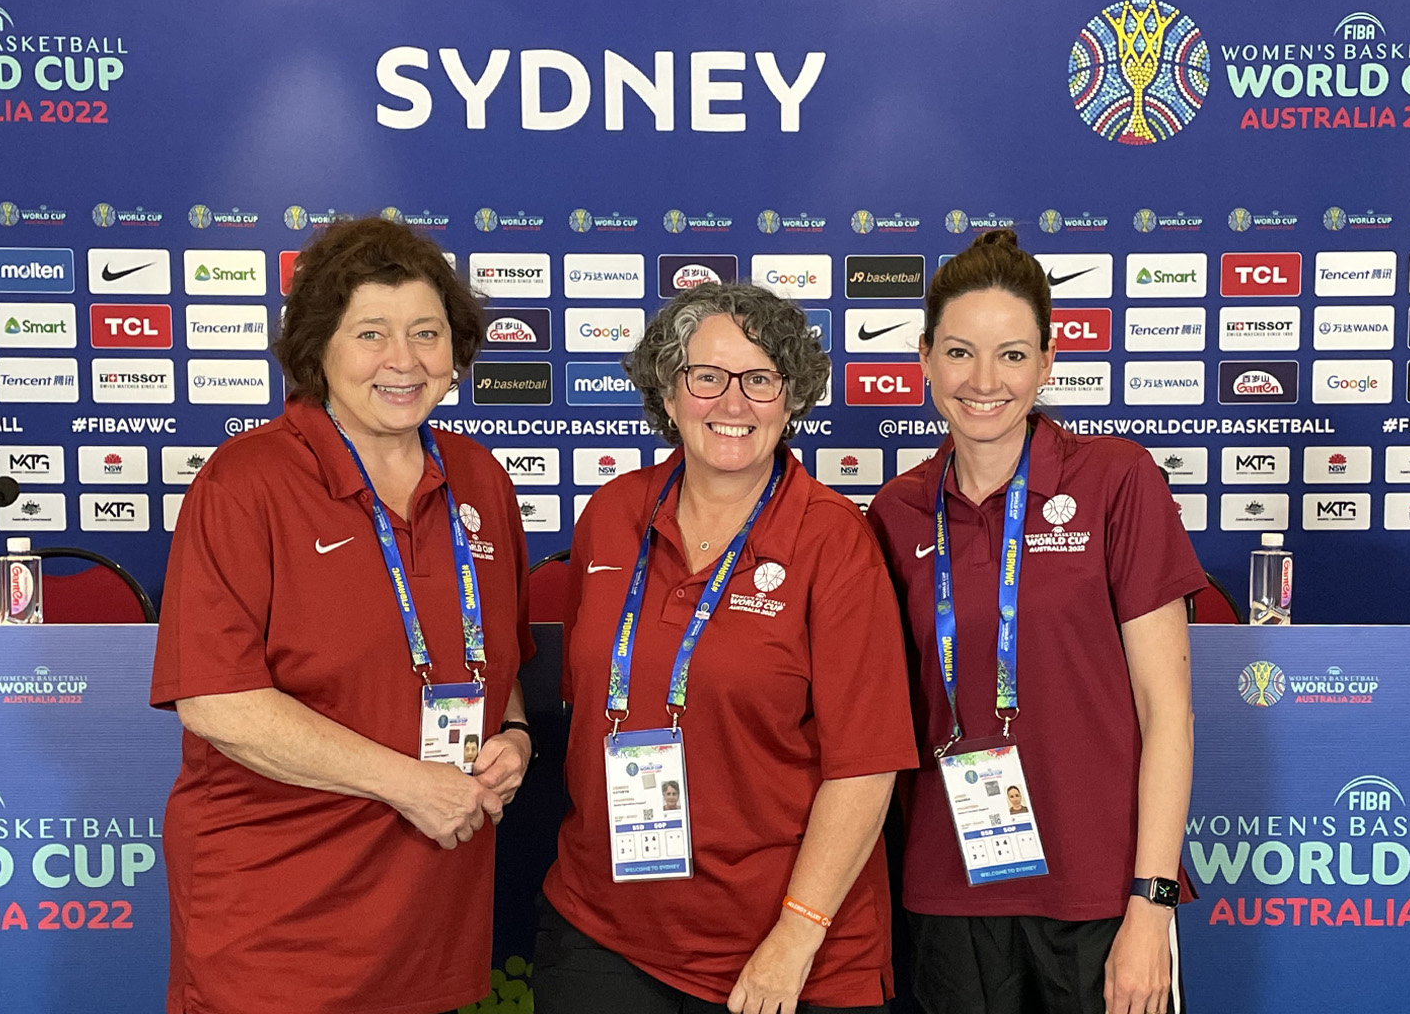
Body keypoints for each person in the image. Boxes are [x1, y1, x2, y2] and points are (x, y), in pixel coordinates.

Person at [150, 217, 535, 1014]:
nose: (404, 360)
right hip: (278, 930)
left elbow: (498, 665)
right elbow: (219, 702)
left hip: (430, 918)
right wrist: (410, 784)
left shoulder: (480, 482)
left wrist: (516, 738)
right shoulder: (244, 482)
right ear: (318, 348)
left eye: (427, 333)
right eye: (372, 334)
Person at [536, 282, 919, 1014]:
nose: (733, 403)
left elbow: (867, 766)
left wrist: (795, 938)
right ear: (670, 394)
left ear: (791, 397)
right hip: (602, 930)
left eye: (760, 379)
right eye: (706, 377)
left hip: (782, 951)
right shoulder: (613, 515)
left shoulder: (834, 541)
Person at [867, 230, 1203, 1014]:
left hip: (1100, 896)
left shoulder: (1117, 481)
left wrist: (1150, 904)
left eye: (1013, 355)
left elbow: (1168, 713)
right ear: (923, 360)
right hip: (950, 894)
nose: (984, 381)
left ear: (1047, 363)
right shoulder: (896, 511)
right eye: (959, 352)